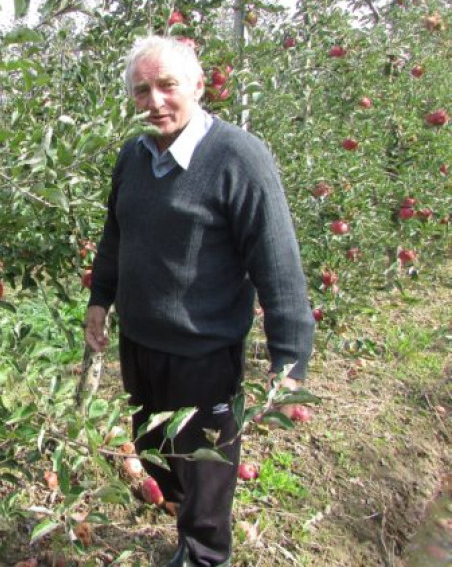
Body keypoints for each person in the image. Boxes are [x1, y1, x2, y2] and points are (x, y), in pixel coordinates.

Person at [84, 35, 315, 567]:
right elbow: (116, 232)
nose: (155, 101)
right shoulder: (133, 155)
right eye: (142, 90)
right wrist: (101, 297)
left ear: (197, 85)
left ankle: (205, 554)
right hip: (139, 344)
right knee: (158, 458)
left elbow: (276, 261)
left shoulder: (239, 157)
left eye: (167, 86)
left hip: (204, 354)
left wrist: (290, 358)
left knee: (206, 471)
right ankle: (185, 520)